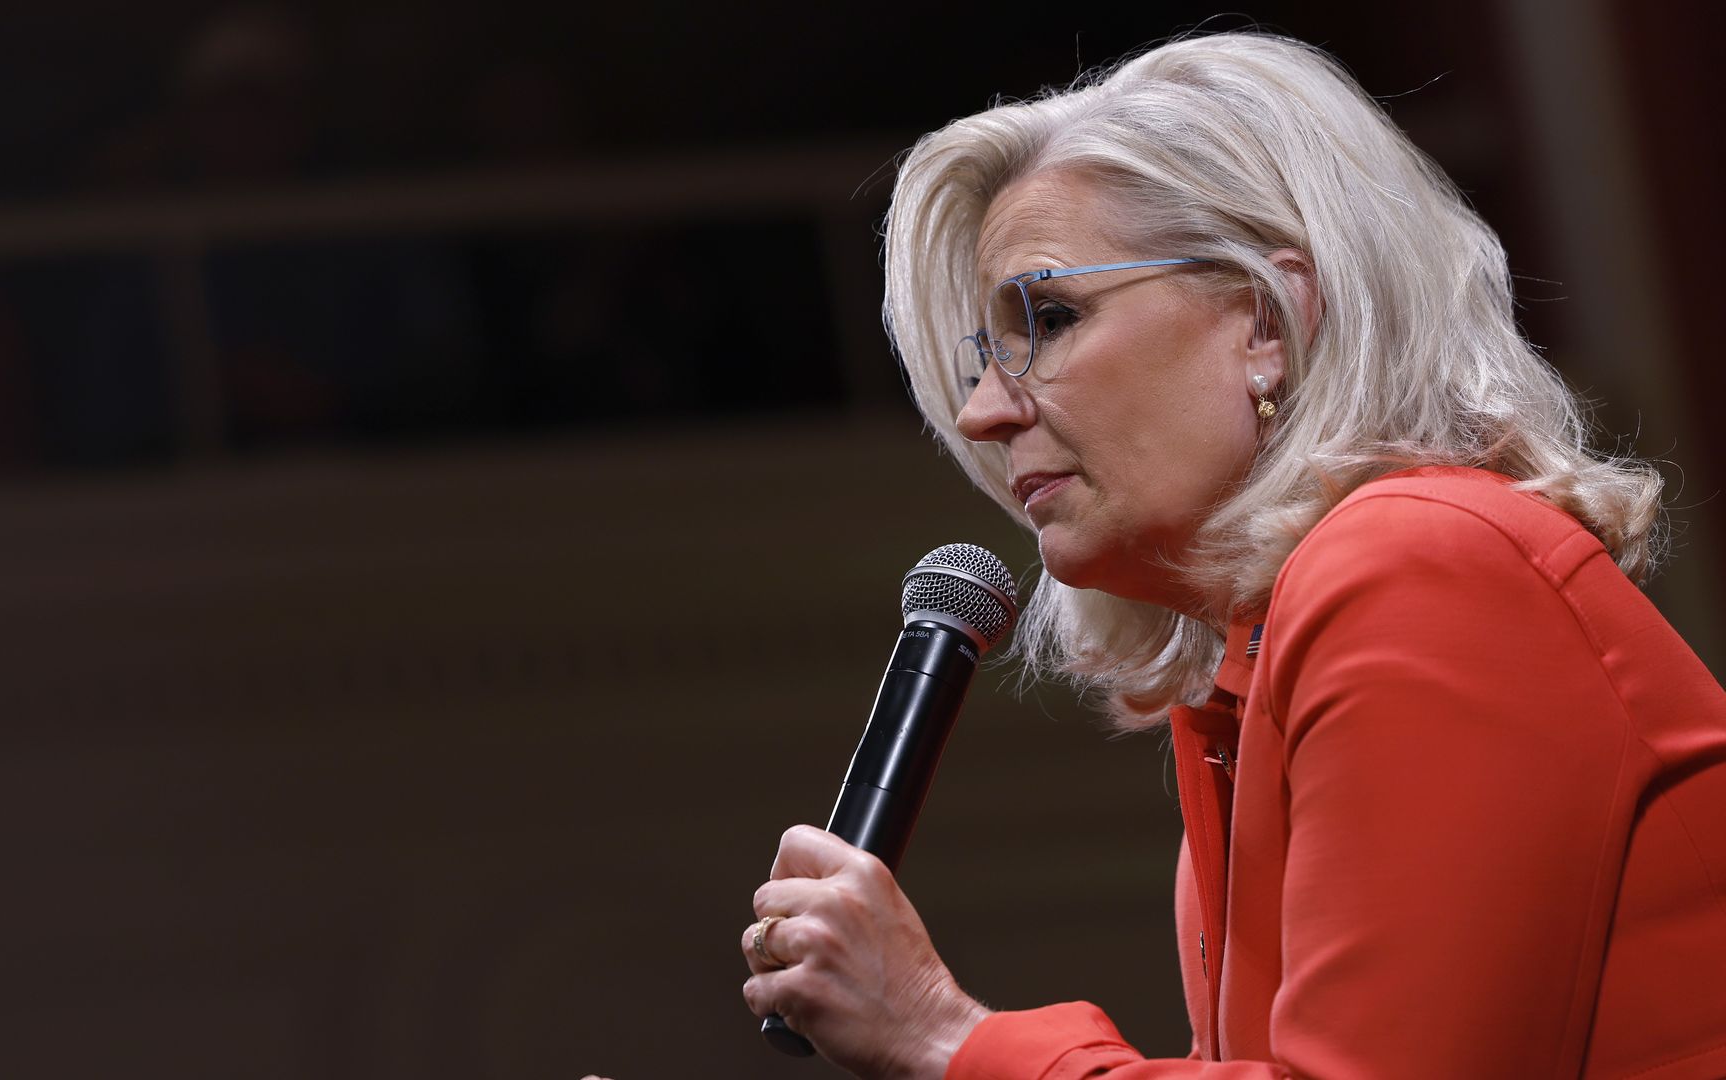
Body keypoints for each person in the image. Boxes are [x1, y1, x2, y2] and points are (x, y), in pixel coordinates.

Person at [732, 31, 1726, 1080]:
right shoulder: (1252, 684)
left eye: (1050, 317)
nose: (982, 412)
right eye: (982, 357)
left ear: (1265, 320)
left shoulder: (1420, 564)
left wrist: (945, 1037)